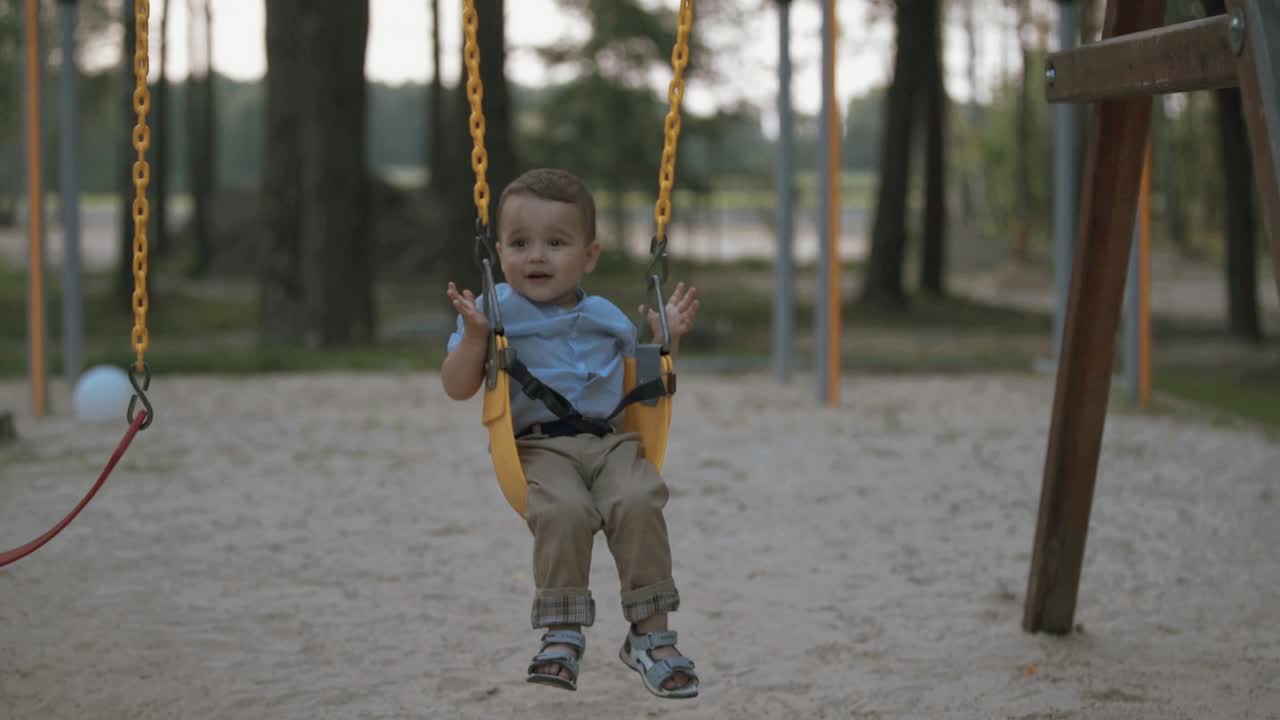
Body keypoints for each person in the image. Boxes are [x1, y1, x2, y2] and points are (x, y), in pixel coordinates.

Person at [441, 168, 702, 698]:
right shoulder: (494, 313)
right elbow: (457, 386)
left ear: (589, 256)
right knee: (563, 511)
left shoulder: (608, 318)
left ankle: (650, 637)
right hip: (539, 448)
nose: (536, 256)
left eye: (556, 243)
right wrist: (473, 340)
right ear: (498, 251)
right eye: (520, 243)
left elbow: (644, 386)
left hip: (611, 443)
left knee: (639, 498)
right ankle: (562, 632)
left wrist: (664, 341)